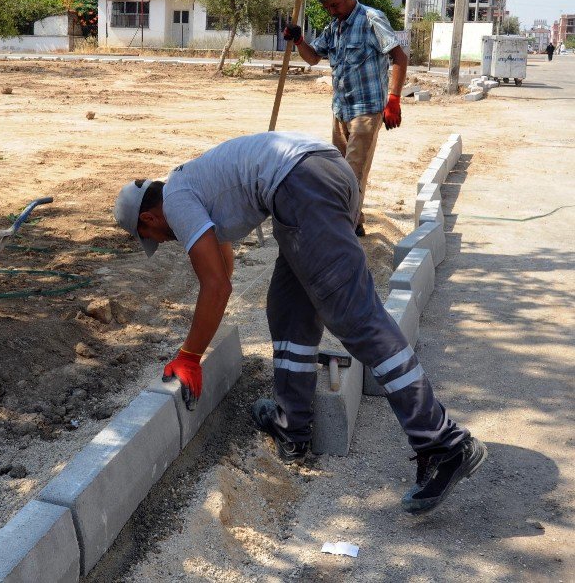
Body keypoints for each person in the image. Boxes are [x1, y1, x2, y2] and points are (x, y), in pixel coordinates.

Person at [113, 131, 486, 513]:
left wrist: (190, 355)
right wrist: (198, 342)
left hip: (301, 184)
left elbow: (216, 286)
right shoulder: (189, 185)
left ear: (148, 217)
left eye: (152, 236)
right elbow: (223, 270)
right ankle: (292, 425)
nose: (163, 241)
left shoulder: (176, 201)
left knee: (357, 318)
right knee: (289, 306)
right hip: (311, 178)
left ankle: (443, 443)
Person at [283, 0, 408, 238]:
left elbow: (399, 56)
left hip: (367, 110)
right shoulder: (334, 27)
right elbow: (313, 57)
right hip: (341, 110)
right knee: (338, 171)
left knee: (351, 173)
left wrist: (394, 100)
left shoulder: (371, 19)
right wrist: (298, 40)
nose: (332, 11)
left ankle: (342, 230)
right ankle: (355, 220)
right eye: (327, 7)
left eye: (335, 5)